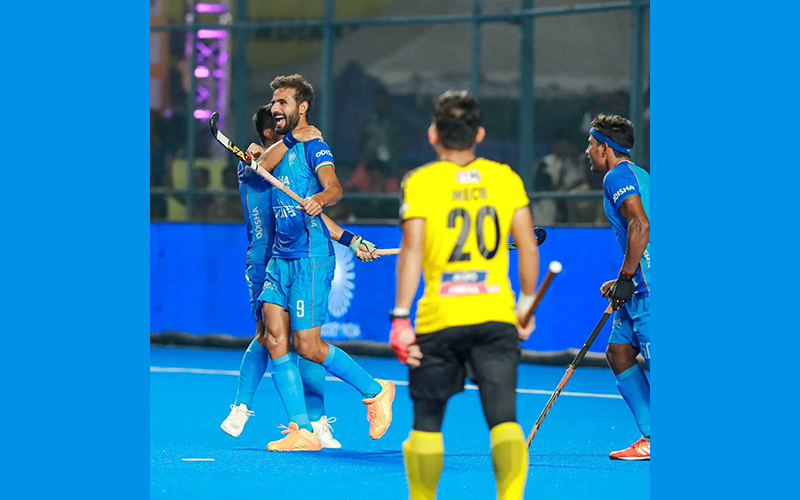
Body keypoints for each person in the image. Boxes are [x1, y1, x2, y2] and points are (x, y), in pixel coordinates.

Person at [389, 90, 539, 500]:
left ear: (434, 134)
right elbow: (528, 247)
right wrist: (525, 305)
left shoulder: (420, 182)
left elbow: (412, 251)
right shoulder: (505, 179)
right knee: (504, 420)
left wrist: (400, 317)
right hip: (495, 316)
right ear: (480, 134)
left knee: (427, 421)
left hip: (440, 318)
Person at [246, 74, 395, 452]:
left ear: (303, 107)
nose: (276, 109)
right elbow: (256, 169)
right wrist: (288, 140)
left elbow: (334, 188)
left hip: (310, 261)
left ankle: (376, 390)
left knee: (308, 346)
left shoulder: (316, 147)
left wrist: (325, 204)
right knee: (274, 339)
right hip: (279, 260)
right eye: (274, 102)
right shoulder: (280, 149)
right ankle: (303, 430)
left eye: (283, 102)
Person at [585, 113, 651, 461]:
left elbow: (641, 225)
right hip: (640, 283)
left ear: (605, 148)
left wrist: (627, 278)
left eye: (591, 144)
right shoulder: (639, 174)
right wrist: (625, 278)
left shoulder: (617, 177)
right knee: (619, 351)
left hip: (650, 290)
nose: (588, 151)